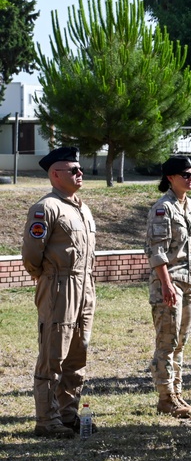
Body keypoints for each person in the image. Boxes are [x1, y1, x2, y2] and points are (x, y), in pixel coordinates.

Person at [22, 147, 97, 438]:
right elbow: (31, 254)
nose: (80, 174)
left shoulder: (81, 207)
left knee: (78, 354)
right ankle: (47, 418)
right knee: (53, 353)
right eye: (73, 170)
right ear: (55, 175)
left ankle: (67, 412)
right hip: (59, 286)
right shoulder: (46, 208)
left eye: (80, 169)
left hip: (85, 287)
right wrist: (48, 278)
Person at [145, 156, 191, 420]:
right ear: (170, 177)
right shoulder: (162, 209)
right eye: (185, 175)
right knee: (167, 343)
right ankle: (165, 398)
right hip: (169, 284)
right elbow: (156, 251)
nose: (190, 178)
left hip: (189, 284)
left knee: (181, 343)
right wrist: (166, 284)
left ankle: (177, 393)